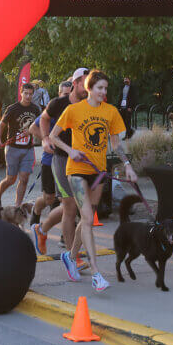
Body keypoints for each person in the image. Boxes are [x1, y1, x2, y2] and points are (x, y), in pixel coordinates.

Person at [51, 69, 139, 292]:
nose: (103, 92)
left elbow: (116, 144)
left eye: (106, 88)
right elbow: (52, 136)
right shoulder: (73, 110)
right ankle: (96, 273)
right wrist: (70, 150)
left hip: (98, 171)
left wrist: (127, 165)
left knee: (87, 220)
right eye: (99, 88)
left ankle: (70, 257)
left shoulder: (110, 112)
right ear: (89, 88)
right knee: (88, 218)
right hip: (77, 169)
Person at [39, 69, 90, 261]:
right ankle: (72, 256)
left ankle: (42, 229)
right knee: (70, 206)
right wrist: (45, 138)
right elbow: (43, 119)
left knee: (79, 206)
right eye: (85, 85)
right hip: (61, 159)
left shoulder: (91, 104)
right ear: (75, 83)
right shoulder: (58, 103)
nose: (88, 89)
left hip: (83, 161)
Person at [31, 80, 72, 255]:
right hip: (50, 160)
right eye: (63, 94)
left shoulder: (75, 109)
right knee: (49, 198)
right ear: (58, 94)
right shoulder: (53, 109)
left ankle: (65, 236)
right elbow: (33, 127)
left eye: (68, 94)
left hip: (69, 161)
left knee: (67, 201)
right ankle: (36, 210)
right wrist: (47, 139)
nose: (66, 97)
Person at [0, 82, 39, 208]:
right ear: (21, 93)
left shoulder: (35, 109)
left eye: (30, 94)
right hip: (13, 148)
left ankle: (17, 206)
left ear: (33, 95)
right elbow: (1, 125)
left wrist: (32, 131)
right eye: (25, 93)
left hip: (27, 149)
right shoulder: (13, 108)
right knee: (11, 179)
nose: (27, 96)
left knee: (24, 178)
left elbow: (40, 126)